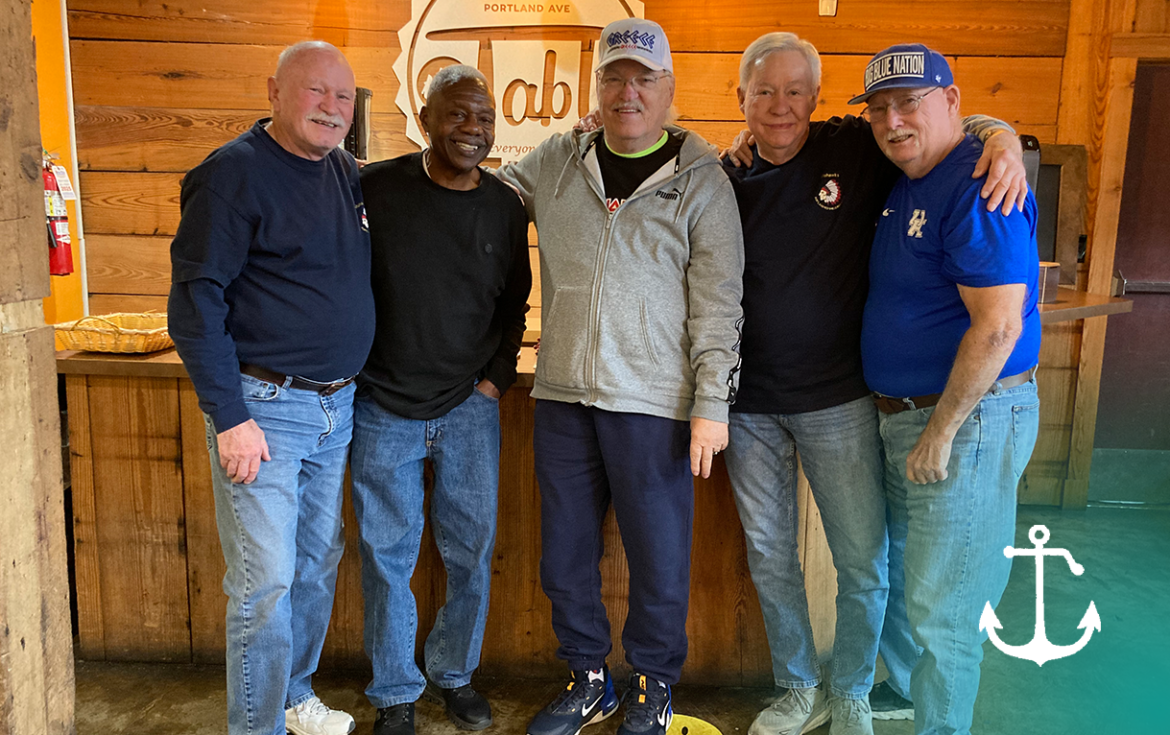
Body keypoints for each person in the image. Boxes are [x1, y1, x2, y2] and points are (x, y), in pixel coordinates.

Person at [720, 33, 1027, 735]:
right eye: (764, 91)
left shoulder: (857, 148)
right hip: (750, 404)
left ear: (817, 99)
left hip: (839, 399)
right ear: (741, 99)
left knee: (863, 558)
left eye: (796, 90)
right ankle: (801, 685)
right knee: (771, 555)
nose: (780, 105)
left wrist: (1002, 136)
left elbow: (946, 125)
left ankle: (853, 687)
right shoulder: (725, 174)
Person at [495, 18, 745, 735]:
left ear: (668, 89)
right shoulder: (557, 159)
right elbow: (478, 200)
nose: (627, 91)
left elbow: (720, 302)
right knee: (565, 552)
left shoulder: (703, 180)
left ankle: (653, 683)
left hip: (656, 404)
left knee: (658, 556)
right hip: (563, 397)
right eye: (613, 76)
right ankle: (588, 678)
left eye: (643, 78)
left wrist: (710, 402)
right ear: (595, 86)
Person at [168, 41, 372, 735]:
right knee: (265, 583)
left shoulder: (342, 169)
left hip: (334, 408)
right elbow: (195, 304)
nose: (332, 107)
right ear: (273, 91)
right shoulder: (231, 177)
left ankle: (292, 698)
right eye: (316, 91)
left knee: (314, 566)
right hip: (263, 411)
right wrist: (229, 417)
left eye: (343, 97)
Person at [851, 43, 1041, 735]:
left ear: (951, 101)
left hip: (966, 419)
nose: (893, 120)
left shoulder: (980, 185)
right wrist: (1003, 131)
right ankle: (906, 691)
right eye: (880, 108)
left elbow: (997, 328)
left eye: (911, 102)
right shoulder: (913, 175)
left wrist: (942, 429)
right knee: (913, 580)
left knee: (947, 605)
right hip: (911, 415)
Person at [349, 65, 531, 735]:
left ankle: (454, 673)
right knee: (387, 556)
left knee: (470, 550)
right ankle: (395, 691)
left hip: (469, 410)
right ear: (426, 119)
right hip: (383, 407)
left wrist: (495, 380)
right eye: (458, 116)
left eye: (484, 118)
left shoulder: (506, 206)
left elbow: (514, 303)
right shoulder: (375, 189)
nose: (474, 130)